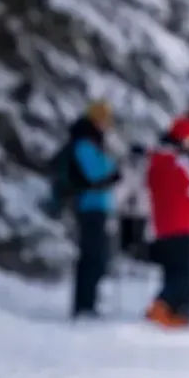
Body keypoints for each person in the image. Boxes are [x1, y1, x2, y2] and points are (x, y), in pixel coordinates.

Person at [146, 117, 189, 327]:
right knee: (185, 274)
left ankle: (173, 312)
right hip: (185, 223)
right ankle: (162, 305)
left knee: (171, 270)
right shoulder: (180, 162)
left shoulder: (155, 161)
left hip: (162, 225)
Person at [67, 100, 120, 318]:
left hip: (97, 206)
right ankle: (84, 304)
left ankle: (88, 302)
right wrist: (113, 174)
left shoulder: (92, 142)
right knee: (91, 257)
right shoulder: (84, 144)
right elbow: (96, 173)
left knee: (96, 257)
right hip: (90, 207)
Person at [115, 143, 151, 262]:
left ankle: (139, 261)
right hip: (125, 210)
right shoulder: (124, 167)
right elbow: (120, 186)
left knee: (139, 239)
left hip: (141, 210)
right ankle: (125, 260)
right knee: (125, 239)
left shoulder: (148, 168)